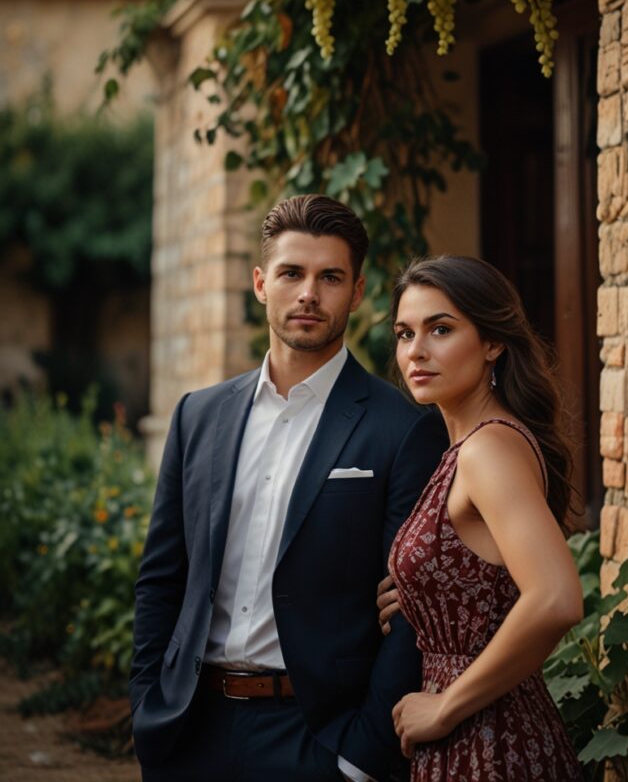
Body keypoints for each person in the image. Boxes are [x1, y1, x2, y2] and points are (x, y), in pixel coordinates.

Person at [130, 195, 449, 782]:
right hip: (189, 729)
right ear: (260, 283)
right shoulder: (196, 416)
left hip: (317, 737)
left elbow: (410, 611)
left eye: (330, 277)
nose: (309, 293)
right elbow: (162, 577)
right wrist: (148, 707)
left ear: (355, 293)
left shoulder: (403, 430)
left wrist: (360, 756)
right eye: (291, 273)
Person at [378, 255, 583, 781]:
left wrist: (445, 706)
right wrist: (424, 587)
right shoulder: (474, 444)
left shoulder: (487, 448)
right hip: (477, 732)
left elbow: (556, 597)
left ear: (493, 342)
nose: (416, 351)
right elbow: (489, 569)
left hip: (491, 741)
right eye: (404, 334)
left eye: (440, 329)